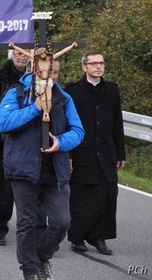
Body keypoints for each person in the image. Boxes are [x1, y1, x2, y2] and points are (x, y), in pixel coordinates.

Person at [0, 66, 85, 280]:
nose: (50, 76)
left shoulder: (64, 98)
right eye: (46, 71)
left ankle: (41, 257)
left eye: (55, 72)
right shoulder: (16, 93)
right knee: (27, 223)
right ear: (34, 71)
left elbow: (78, 130)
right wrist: (35, 107)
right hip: (23, 169)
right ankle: (30, 270)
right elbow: (4, 123)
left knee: (61, 221)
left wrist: (61, 143)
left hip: (55, 170)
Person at [65, 51, 125, 256]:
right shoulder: (73, 91)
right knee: (82, 198)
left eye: (101, 63)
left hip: (106, 152)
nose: (99, 67)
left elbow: (118, 123)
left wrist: (121, 153)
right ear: (84, 67)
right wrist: (69, 154)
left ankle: (100, 237)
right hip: (82, 151)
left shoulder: (112, 91)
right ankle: (78, 237)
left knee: (107, 196)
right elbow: (66, 124)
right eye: (94, 63)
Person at [0, 46, 31, 246]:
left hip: (27, 136)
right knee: (0, 176)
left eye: (24, 55)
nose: (21, 57)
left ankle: (30, 225)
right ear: (12, 55)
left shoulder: (34, 77)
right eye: (18, 53)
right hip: (4, 134)